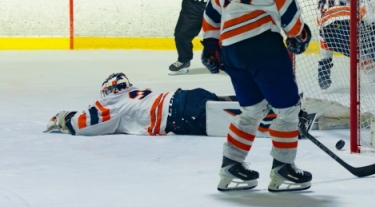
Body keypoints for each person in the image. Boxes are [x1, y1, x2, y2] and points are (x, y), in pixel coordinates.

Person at [201, 0, 313, 192]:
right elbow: (286, 7)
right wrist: (299, 35)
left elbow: (213, 9)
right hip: (262, 45)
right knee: (288, 110)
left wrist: (210, 45)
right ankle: (284, 170)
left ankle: (231, 167)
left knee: (251, 110)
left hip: (230, 49)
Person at [43, 73, 244, 136]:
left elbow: (80, 125)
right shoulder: (136, 91)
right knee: (231, 104)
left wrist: (64, 118)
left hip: (181, 115)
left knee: (237, 123)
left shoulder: (112, 103)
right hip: (189, 96)